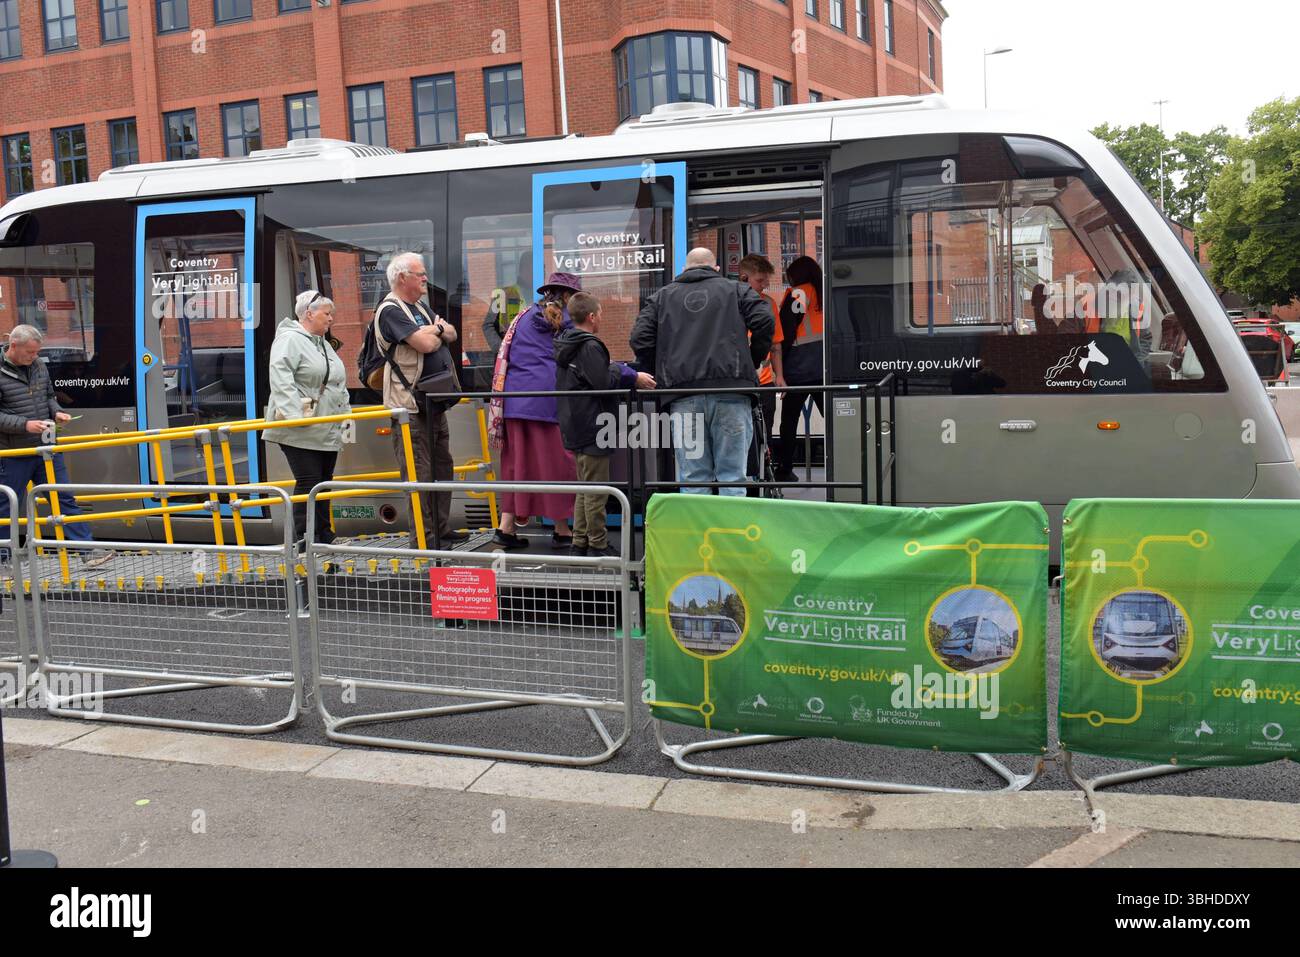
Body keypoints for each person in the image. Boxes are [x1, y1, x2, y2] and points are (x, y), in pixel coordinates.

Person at [630, 247, 774, 496]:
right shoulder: (737, 290)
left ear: (685, 269)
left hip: (684, 396)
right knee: (733, 476)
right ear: (715, 268)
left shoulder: (663, 297)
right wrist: (752, 359)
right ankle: (731, 534)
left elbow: (640, 338)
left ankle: (700, 535)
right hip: (732, 392)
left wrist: (661, 371)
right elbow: (765, 320)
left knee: (693, 477)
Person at [372, 251, 468, 546]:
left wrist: (435, 329)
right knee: (419, 475)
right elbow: (427, 343)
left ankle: (440, 529)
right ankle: (424, 539)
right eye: (420, 273)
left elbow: (449, 333)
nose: (426, 278)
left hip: (434, 404)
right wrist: (434, 331)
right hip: (410, 408)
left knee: (442, 470)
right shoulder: (390, 310)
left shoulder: (419, 307)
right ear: (402, 278)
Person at [0, 325, 112, 567]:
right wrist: (25, 425)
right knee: (7, 503)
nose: (34, 357)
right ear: (14, 346)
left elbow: (50, 395)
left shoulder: (38, 365)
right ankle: (3, 558)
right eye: (30, 352)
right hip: (15, 451)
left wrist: (58, 412)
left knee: (64, 497)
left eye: (36, 352)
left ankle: (87, 551)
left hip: (47, 445)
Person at [554, 292, 654, 557]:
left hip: (574, 423)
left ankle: (579, 542)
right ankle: (597, 544)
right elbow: (603, 383)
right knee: (597, 488)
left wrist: (611, 366)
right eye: (600, 315)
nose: (601, 319)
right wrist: (624, 371)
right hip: (593, 425)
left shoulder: (567, 343)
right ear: (591, 317)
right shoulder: (590, 345)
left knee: (584, 486)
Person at [489, 273, 582, 550]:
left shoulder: (526, 314)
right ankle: (563, 530)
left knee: (517, 466)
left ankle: (506, 529)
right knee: (556, 465)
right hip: (544, 401)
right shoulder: (565, 318)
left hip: (514, 401)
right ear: (567, 295)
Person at [264, 291, 351, 548]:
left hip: (325, 426)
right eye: (327, 313)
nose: (331, 319)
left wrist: (344, 419)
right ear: (309, 314)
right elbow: (280, 376)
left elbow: (337, 382)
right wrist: (294, 418)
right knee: (309, 481)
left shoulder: (321, 342)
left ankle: (324, 535)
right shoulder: (290, 339)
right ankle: (304, 538)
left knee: (323, 482)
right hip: (301, 428)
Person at [771, 256, 824, 483]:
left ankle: (785, 469)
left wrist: (780, 369)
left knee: (789, 422)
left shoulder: (799, 293)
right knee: (834, 418)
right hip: (823, 368)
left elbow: (785, 331)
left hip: (800, 368)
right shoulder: (823, 291)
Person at [482, 252, 531, 356]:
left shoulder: (545, 297)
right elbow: (488, 325)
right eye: (531, 268)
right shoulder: (503, 294)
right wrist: (503, 350)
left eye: (543, 268)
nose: (542, 272)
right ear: (522, 270)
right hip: (510, 359)